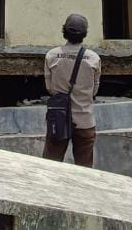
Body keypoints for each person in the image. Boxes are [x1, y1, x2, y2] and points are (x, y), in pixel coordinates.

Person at [42, 13, 101, 167]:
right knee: (85, 169)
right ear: (85, 34)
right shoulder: (94, 58)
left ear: (64, 31)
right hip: (84, 120)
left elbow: (50, 88)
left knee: (51, 167)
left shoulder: (52, 55)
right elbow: (94, 91)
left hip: (58, 120)